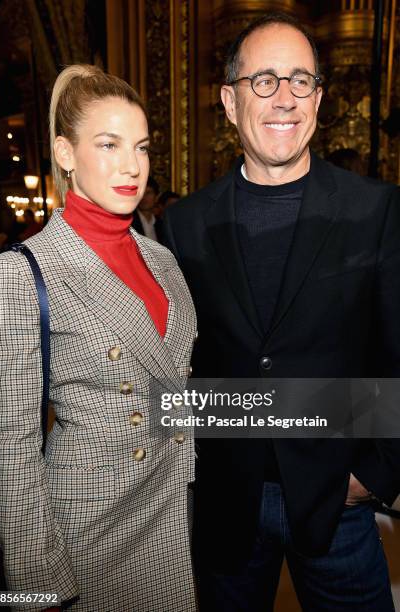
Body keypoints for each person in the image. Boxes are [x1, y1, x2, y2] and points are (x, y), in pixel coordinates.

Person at [162, 12, 400, 612]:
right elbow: (175, 367)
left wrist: (373, 471)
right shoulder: (183, 224)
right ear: (228, 100)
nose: (284, 97)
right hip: (225, 505)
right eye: (263, 80)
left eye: (300, 80)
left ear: (319, 98)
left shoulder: (376, 210)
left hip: (337, 505)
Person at [0, 64, 197, 612]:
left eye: (142, 147)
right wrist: (41, 590)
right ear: (64, 154)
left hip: (174, 508)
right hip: (86, 533)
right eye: (108, 145)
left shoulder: (162, 260)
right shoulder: (20, 272)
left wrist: (334, 414)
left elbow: (173, 393)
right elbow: (10, 451)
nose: (133, 167)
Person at [132, 175, 160, 240]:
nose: (144, 197)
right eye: (141, 193)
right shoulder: (130, 223)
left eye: (148, 193)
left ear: (156, 197)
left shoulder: (161, 224)